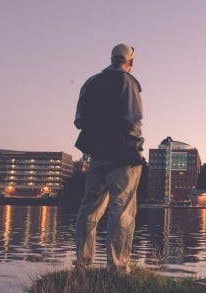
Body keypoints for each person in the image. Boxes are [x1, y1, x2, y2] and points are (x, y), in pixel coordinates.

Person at [73, 43, 144, 274]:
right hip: (123, 155)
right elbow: (133, 119)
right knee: (121, 210)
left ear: (111, 58)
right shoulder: (128, 82)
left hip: (97, 155)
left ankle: (82, 265)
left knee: (88, 210)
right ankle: (118, 268)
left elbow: (79, 121)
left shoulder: (91, 82)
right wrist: (136, 146)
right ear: (130, 62)